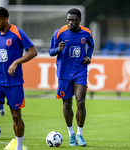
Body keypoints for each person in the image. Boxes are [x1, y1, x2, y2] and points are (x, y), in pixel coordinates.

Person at [0, 7, 37, 150]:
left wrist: (16, 62)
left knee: (15, 116)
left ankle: (18, 147)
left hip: (14, 82)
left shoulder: (18, 33)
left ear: (6, 19)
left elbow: (33, 51)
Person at [49, 8, 94, 147]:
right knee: (67, 104)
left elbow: (90, 46)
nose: (71, 22)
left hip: (80, 71)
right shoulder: (59, 33)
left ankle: (80, 134)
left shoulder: (86, 33)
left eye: (74, 20)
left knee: (80, 102)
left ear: (80, 20)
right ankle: (71, 134)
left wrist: (88, 57)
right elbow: (51, 51)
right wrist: (58, 49)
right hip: (64, 73)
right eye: (69, 20)